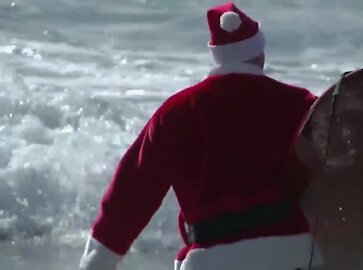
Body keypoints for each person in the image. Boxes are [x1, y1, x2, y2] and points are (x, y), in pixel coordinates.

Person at [79, 2, 324, 270]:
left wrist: (97, 262)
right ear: (259, 53)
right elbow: (341, 166)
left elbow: (132, 191)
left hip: (210, 260)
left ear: (217, 55)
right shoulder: (302, 105)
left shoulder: (175, 113)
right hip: (295, 255)